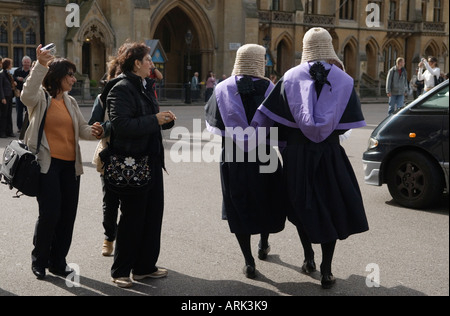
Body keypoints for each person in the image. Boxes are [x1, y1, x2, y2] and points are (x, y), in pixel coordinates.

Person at [258, 27, 369, 289]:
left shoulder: (289, 77)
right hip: (329, 154)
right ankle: (326, 269)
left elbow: (272, 121)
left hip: (297, 156)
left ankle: (308, 257)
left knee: (300, 206)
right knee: (330, 206)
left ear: (306, 47)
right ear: (328, 47)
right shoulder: (344, 79)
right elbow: (345, 125)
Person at [20, 45, 103, 280]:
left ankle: (58, 262)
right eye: (70, 75)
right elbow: (26, 94)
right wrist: (40, 65)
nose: (74, 79)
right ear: (57, 76)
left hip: (70, 168)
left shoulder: (70, 102)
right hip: (48, 165)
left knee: (67, 216)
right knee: (50, 214)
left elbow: (82, 130)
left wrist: (96, 130)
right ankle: (40, 260)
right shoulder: (40, 99)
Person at [205, 44, 286, 279]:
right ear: (259, 62)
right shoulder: (270, 88)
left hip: (233, 154)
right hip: (264, 154)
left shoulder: (222, 89)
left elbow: (217, 126)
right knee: (266, 198)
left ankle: (249, 261)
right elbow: (280, 124)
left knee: (238, 202)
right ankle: (263, 243)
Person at [104, 42, 176, 288]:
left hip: (151, 160)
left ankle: (145, 267)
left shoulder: (144, 86)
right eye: (148, 60)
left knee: (152, 216)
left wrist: (163, 121)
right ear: (136, 63)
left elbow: (145, 120)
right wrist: (154, 119)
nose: (151, 65)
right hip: (132, 163)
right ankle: (121, 270)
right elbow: (122, 125)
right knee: (133, 218)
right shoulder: (121, 89)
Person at [89, 54, 124, 257]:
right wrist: (115, 124)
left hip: (134, 155)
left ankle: (126, 242)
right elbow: (94, 125)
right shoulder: (102, 98)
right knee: (110, 200)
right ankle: (109, 237)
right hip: (109, 153)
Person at [14, 56, 32, 132]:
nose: (26, 64)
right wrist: (17, 78)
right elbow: (13, 77)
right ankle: (20, 127)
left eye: (28, 62)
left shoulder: (32, 71)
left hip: (29, 94)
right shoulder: (17, 71)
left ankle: (28, 127)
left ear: (30, 63)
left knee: (29, 111)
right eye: (25, 62)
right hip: (19, 94)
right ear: (22, 63)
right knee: (19, 111)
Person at [0, 57, 16, 138]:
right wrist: (2, 98)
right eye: (10, 64)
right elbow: (0, 87)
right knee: (4, 115)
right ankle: (2, 132)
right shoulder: (1, 74)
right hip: (5, 97)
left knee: (9, 114)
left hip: (9, 96)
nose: (11, 65)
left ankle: (9, 131)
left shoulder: (8, 73)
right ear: (7, 65)